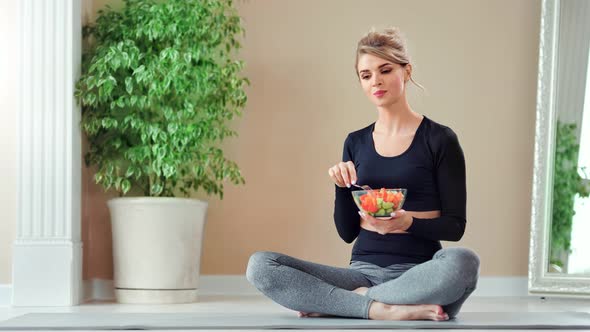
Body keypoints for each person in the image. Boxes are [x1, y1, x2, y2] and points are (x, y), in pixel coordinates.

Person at [246, 27, 480, 321]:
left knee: (464, 262)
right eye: (366, 75)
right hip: (362, 273)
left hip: (419, 275)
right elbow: (347, 233)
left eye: (385, 70)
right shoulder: (355, 142)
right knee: (261, 265)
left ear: (406, 72)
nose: (376, 81)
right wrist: (341, 186)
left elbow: (455, 226)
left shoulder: (440, 139)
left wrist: (408, 222)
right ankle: (382, 309)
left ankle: (351, 304)